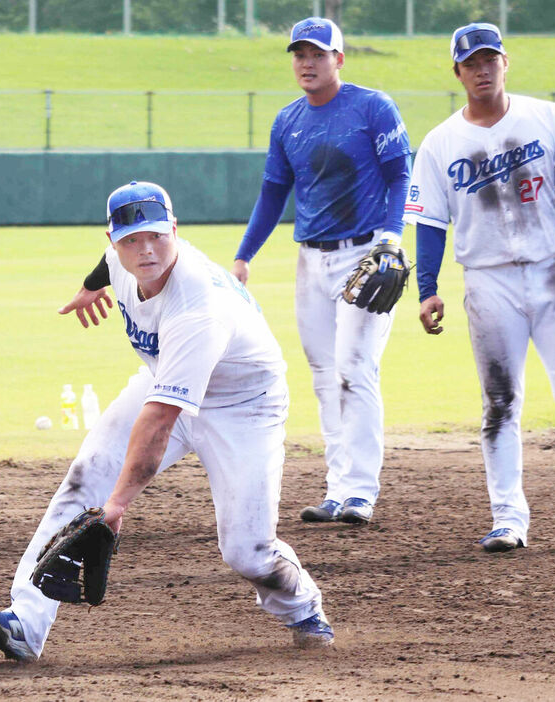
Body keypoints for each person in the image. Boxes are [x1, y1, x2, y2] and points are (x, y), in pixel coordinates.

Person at [0, 181, 334, 662]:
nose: (146, 251)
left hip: (244, 406)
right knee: (85, 479)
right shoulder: (125, 265)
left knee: (246, 550)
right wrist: (88, 286)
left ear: (175, 230)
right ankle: (26, 623)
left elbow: (160, 420)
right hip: (167, 379)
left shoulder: (197, 306)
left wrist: (117, 505)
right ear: (113, 241)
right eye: (131, 240)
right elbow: (108, 268)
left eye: (157, 236)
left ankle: (302, 606)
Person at [405, 23, 555, 552]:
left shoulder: (546, 118)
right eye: (471, 63)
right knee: (499, 403)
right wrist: (427, 288)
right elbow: (430, 224)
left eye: (490, 59)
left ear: (505, 63)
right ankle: (509, 519)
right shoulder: (441, 143)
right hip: (487, 282)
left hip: (552, 271)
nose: (482, 69)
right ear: (458, 73)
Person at [232, 17, 412, 525]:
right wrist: (245, 255)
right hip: (310, 259)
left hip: (366, 254)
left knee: (355, 368)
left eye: (317, 54)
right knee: (322, 375)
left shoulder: (372, 106)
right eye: (299, 55)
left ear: (339, 58)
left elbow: (400, 172)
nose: (307, 63)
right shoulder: (288, 120)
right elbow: (273, 193)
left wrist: (391, 238)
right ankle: (337, 488)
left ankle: (360, 491)